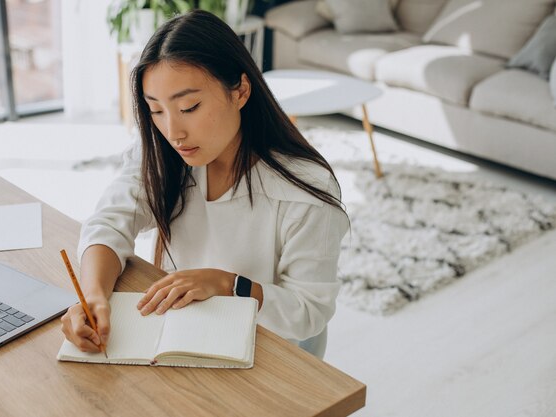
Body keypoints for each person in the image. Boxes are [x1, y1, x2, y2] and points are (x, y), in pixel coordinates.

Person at [60, 10, 349, 359]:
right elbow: (108, 222)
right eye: (156, 110)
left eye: (189, 107)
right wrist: (93, 296)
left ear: (240, 91)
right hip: (189, 326)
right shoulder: (161, 153)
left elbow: (308, 313)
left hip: (274, 347)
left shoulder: (305, 191)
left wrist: (227, 284)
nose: (173, 132)